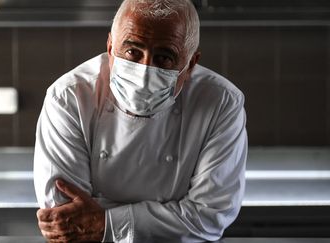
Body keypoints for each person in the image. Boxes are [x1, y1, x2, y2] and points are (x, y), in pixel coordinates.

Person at [34, 0, 248, 242]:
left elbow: (209, 216)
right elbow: (66, 217)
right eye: (132, 52)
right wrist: (170, 218)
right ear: (110, 47)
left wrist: (104, 223)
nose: (145, 71)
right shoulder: (69, 97)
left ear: (191, 65)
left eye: (164, 58)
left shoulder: (221, 102)